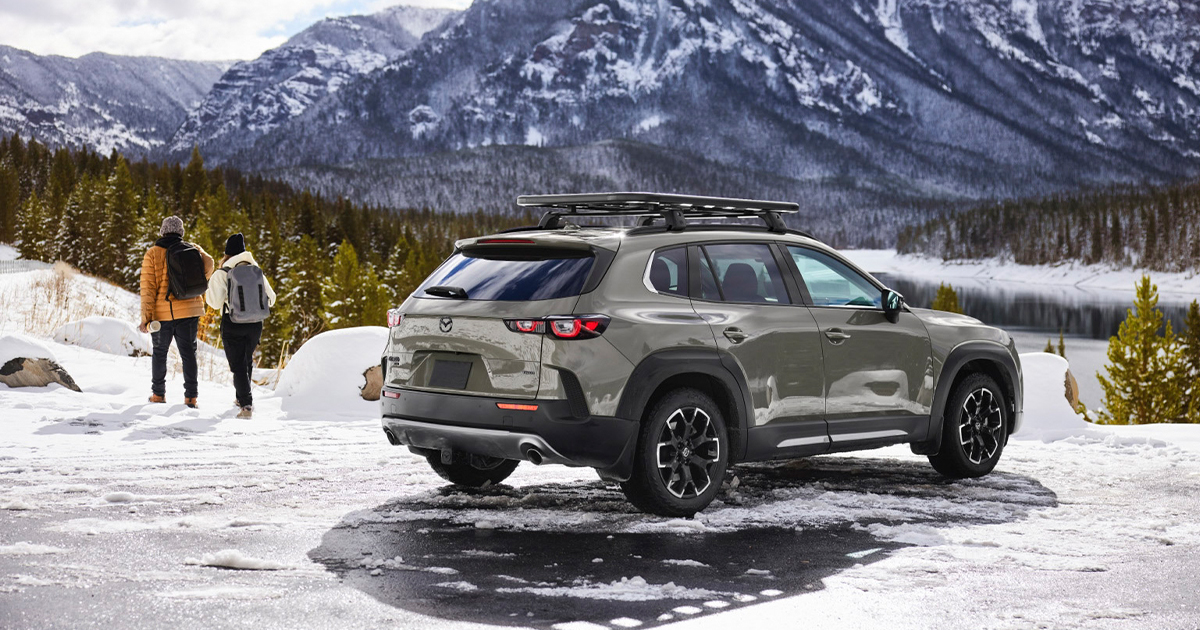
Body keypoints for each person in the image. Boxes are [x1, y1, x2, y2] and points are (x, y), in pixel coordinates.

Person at [139, 216, 214, 408]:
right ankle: (191, 398)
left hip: (161, 315)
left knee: (160, 353)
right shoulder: (191, 250)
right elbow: (210, 264)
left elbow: (148, 290)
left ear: (162, 231)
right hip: (189, 312)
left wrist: (146, 319)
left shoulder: (153, 254)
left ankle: (158, 395)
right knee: (189, 354)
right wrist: (197, 248)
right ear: (181, 232)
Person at [205, 233, 276, 419]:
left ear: (227, 254)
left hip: (232, 322)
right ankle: (240, 398)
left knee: (237, 365)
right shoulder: (256, 270)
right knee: (245, 360)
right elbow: (272, 298)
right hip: (255, 324)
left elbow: (214, 302)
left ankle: (246, 405)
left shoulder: (223, 273)